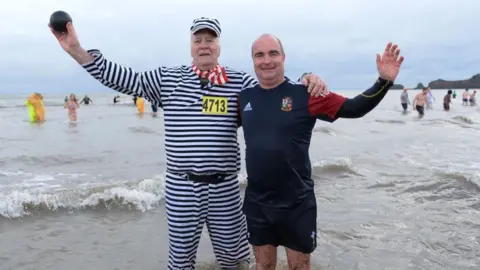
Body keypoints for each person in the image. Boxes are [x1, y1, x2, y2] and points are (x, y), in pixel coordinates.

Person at [49, 17, 327, 269]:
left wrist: (307, 78)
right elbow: (124, 79)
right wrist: (78, 52)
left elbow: (275, 90)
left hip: (226, 189)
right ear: (191, 46)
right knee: (180, 263)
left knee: (236, 260)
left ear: (219, 46)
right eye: (198, 40)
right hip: (182, 188)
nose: (204, 45)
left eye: (210, 40)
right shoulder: (167, 79)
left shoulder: (239, 83)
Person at [237, 34, 403, 269]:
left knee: (299, 267)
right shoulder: (244, 97)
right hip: (258, 203)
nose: (267, 60)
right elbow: (214, 126)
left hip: (297, 204)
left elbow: (354, 107)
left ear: (283, 57)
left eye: (273, 53)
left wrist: (384, 81)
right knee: (263, 266)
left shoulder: (307, 94)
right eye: (259, 55)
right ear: (252, 60)